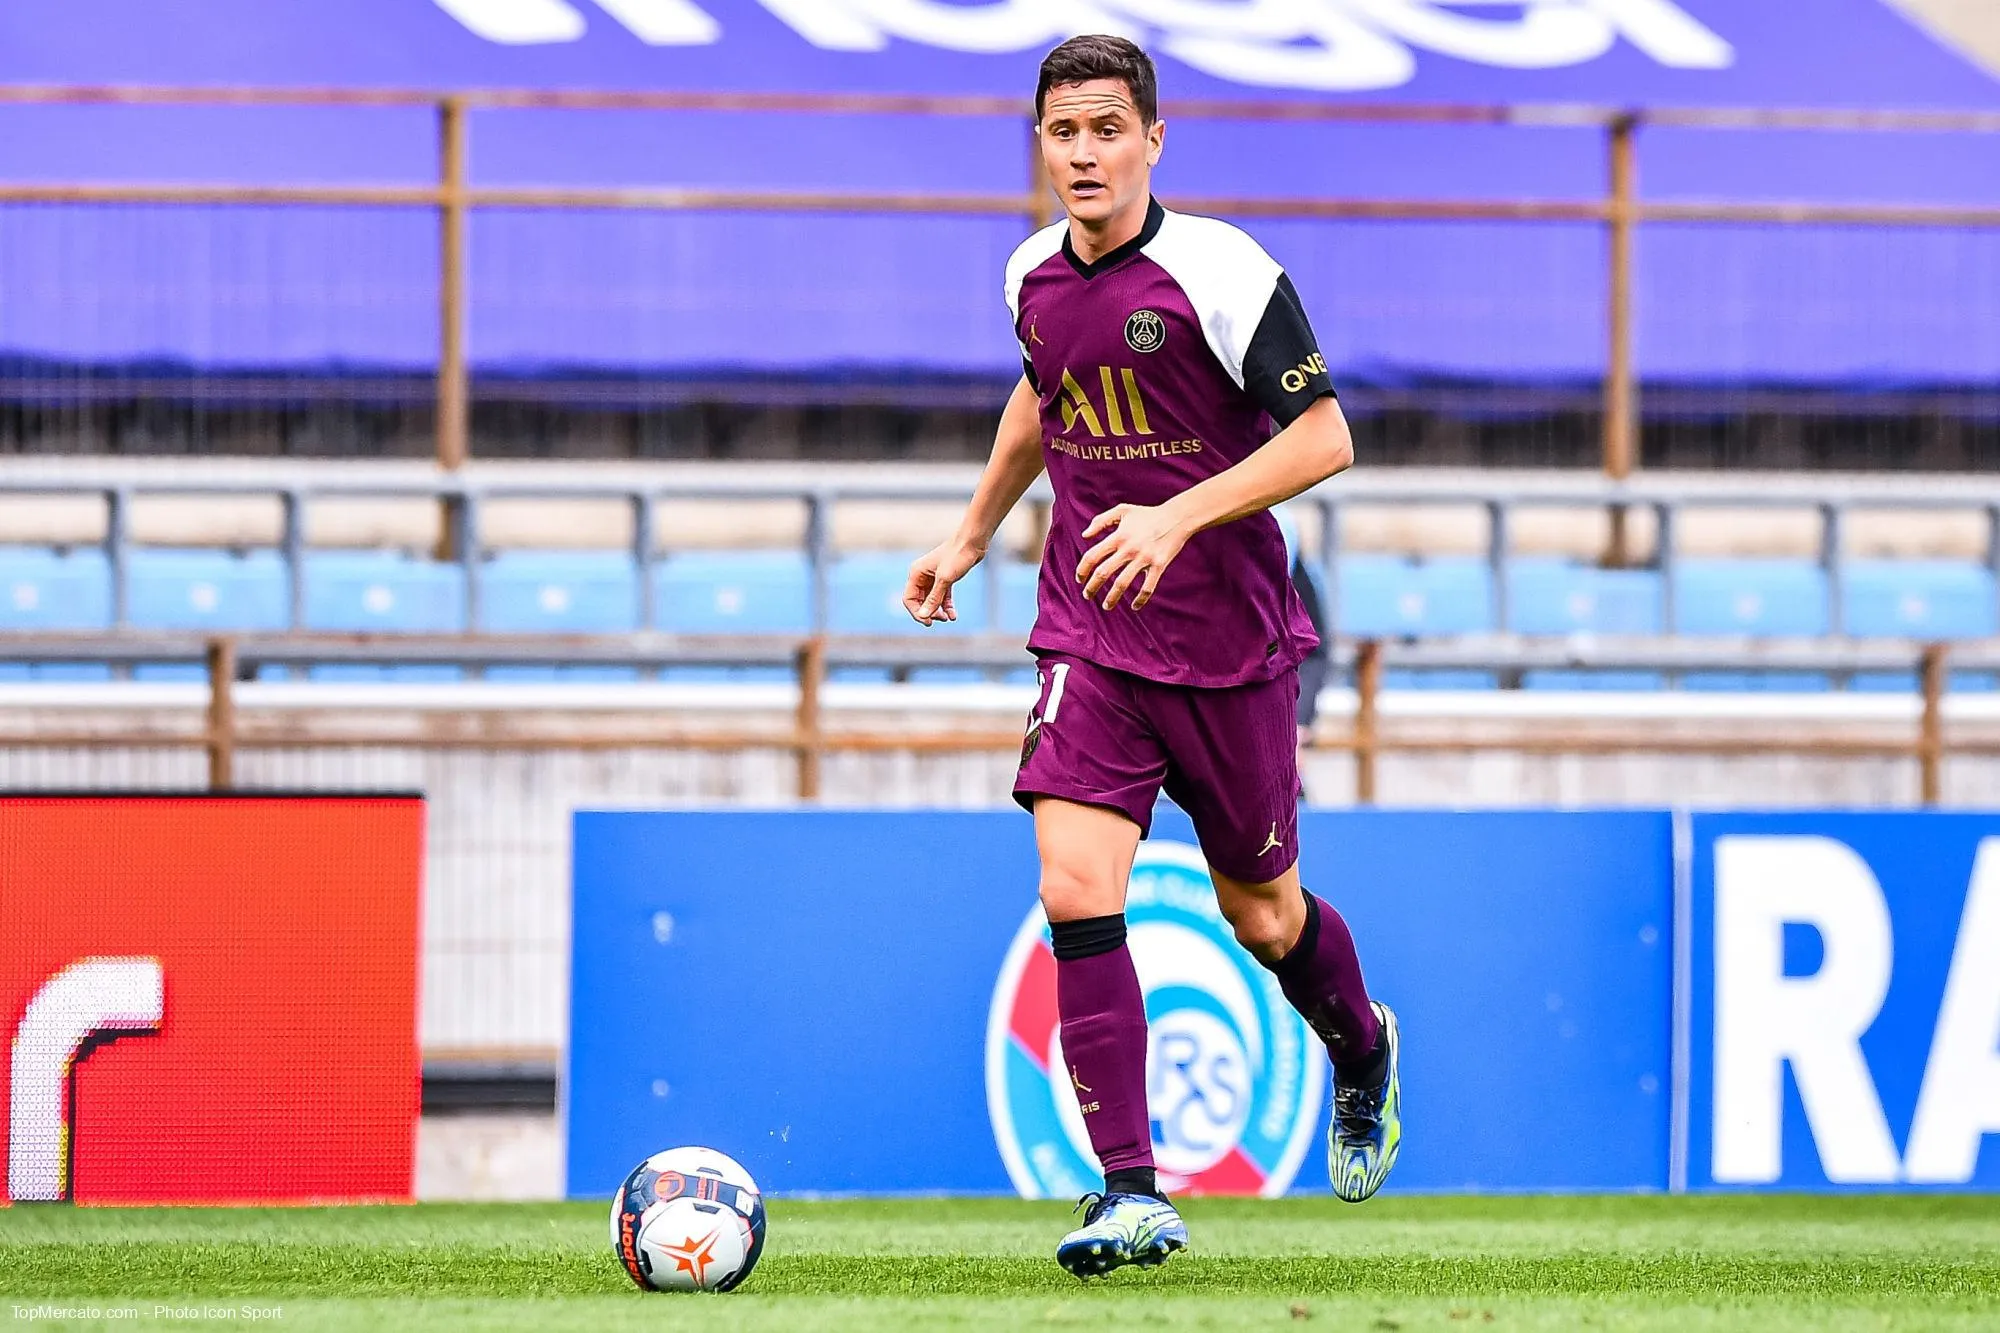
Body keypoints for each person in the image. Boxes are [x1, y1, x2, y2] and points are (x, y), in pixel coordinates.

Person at [902, 34, 1400, 1278]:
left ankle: (1361, 1046)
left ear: (1151, 141)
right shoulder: (1024, 274)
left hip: (1228, 648)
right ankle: (1128, 1188)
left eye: (1107, 130)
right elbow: (1040, 393)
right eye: (1062, 133)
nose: (1084, 154)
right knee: (1074, 886)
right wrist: (969, 533)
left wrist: (1179, 514)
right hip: (1090, 632)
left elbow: (1326, 436)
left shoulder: (1219, 270)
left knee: (1261, 913)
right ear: (1040, 144)